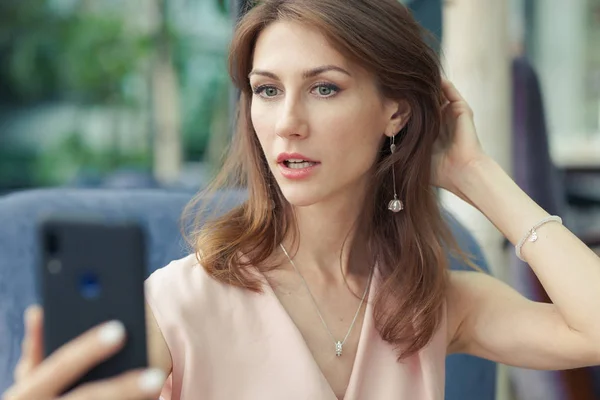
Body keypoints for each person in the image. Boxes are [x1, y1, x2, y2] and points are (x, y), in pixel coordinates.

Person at [4, 0, 600, 399]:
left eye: (323, 87)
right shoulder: (177, 305)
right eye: (267, 90)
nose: (287, 122)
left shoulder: (431, 300)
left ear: (395, 109)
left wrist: (476, 173)